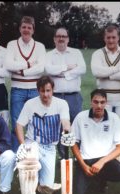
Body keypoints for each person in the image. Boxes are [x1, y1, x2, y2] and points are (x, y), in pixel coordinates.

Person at [15, 76, 70, 194]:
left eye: (48, 90)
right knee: (29, 168)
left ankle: (35, 182)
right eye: (42, 91)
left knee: (47, 189)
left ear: (53, 90)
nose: (45, 94)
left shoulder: (61, 103)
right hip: (33, 143)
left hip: (50, 148)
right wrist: (23, 145)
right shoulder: (30, 104)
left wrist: (67, 131)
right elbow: (19, 125)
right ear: (37, 90)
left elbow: (65, 122)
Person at [68, 89, 120, 194]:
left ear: (106, 103)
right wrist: (83, 165)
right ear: (91, 102)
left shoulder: (114, 118)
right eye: (96, 102)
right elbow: (73, 143)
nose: (99, 105)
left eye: (102, 102)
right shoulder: (81, 117)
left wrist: (102, 162)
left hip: (104, 161)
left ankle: (101, 178)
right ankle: (91, 177)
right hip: (85, 160)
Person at [91, 25, 120, 164]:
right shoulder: (98, 53)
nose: (111, 40)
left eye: (113, 37)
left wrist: (108, 75)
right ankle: (105, 163)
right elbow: (96, 72)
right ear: (104, 38)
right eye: (108, 37)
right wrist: (117, 69)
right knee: (104, 130)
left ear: (118, 38)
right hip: (104, 100)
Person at [5, 16, 46, 152]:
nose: (26, 30)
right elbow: (9, 65)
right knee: (18, 123)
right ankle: (19, 154)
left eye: (29, 27)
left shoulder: (39, 46)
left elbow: (41, 68)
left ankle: (35, 154)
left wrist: (22, 72)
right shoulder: (12, 44)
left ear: (33, 30)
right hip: (18, 89)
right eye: (24, 27)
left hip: (35, 89)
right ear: (20, 29)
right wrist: (28, 64)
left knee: (36, 122)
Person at [45, 27, 86, 160]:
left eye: (64, 36)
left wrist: (63, 75)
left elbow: (82, 69)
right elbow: (48, 69)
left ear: (68, 39)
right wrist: (68, 68)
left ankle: (77, 157)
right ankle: (63, 157)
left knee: (75, 127)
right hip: (56, 97)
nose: (61, 38)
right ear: (54, 39)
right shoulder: (49, 55)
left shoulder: (76, 53)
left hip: (73, 96)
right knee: (57, 128)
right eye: (58, 36)